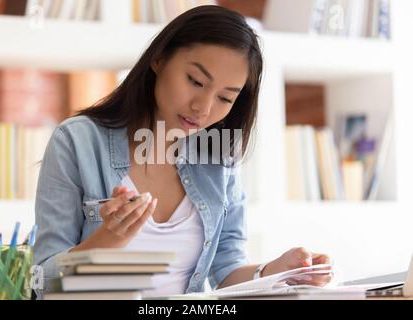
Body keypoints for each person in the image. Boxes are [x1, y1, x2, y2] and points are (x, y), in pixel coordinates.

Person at [33, 5, 332, 297]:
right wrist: (108, 239)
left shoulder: (218, 157)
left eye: (225, 98)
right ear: (159, 58)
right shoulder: (77, 141)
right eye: (195, 81)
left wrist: (277, 272)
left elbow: (227, 269)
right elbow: (40, 278)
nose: (203, 108)